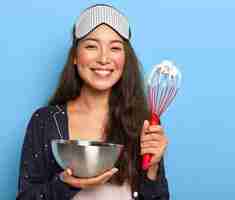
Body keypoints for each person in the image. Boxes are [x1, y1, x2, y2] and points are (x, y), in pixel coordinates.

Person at [17, 4, 169, 200]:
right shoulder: (45, 120)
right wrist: (64, 184)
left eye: (114, 48)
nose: (104, 58)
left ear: (125, 59)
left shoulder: (144, 123)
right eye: (91, 46)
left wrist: (152, 168)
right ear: (74, 56)